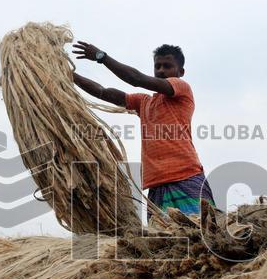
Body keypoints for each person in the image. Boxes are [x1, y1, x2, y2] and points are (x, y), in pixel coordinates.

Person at [71, 40, 215, 218]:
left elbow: (136, 79)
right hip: (156, 186)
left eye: (167, 66)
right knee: (163, 243)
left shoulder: (182, 89)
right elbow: (103, 92)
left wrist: (102, 57)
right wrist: (72, 76)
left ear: (180, 72)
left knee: (200, 235)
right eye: (158, 66)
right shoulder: (144, 102)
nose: (161, 70)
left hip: (185, 178)